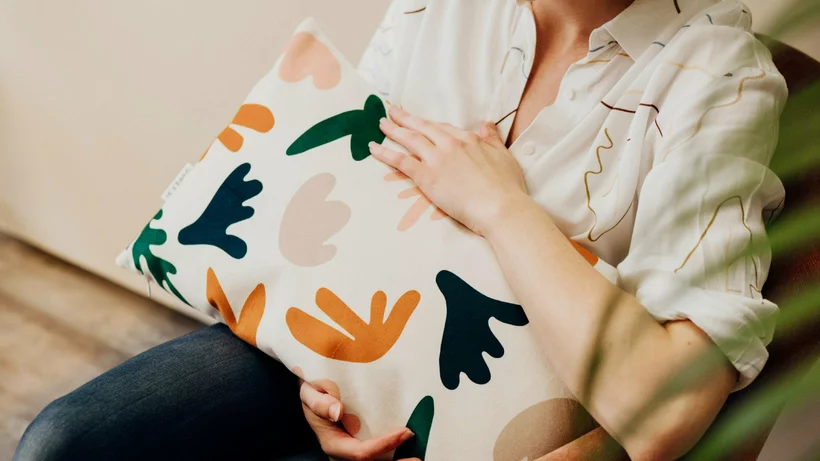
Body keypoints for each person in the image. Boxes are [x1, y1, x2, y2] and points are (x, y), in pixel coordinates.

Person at [14, 0, 786, 460]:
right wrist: (320, 379)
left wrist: (503, 207)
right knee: (64, 441)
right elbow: (348, 208)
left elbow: (665, 412)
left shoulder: (720, 77)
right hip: (332, 365)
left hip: (502, 430)